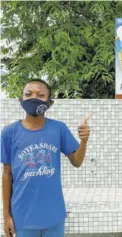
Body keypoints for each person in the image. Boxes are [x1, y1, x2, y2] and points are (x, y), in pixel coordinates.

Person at [1, 79, 90, 237]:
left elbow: (77, 161)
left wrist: (84, 141)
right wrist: (6, 216)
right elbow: (7, 174)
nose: (33, 97)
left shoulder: (58, 128)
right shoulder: (9, 133)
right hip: (23, 216)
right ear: (20, 99)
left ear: (49, 102)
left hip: (53, 215)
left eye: (40, 95)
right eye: (28, 94)